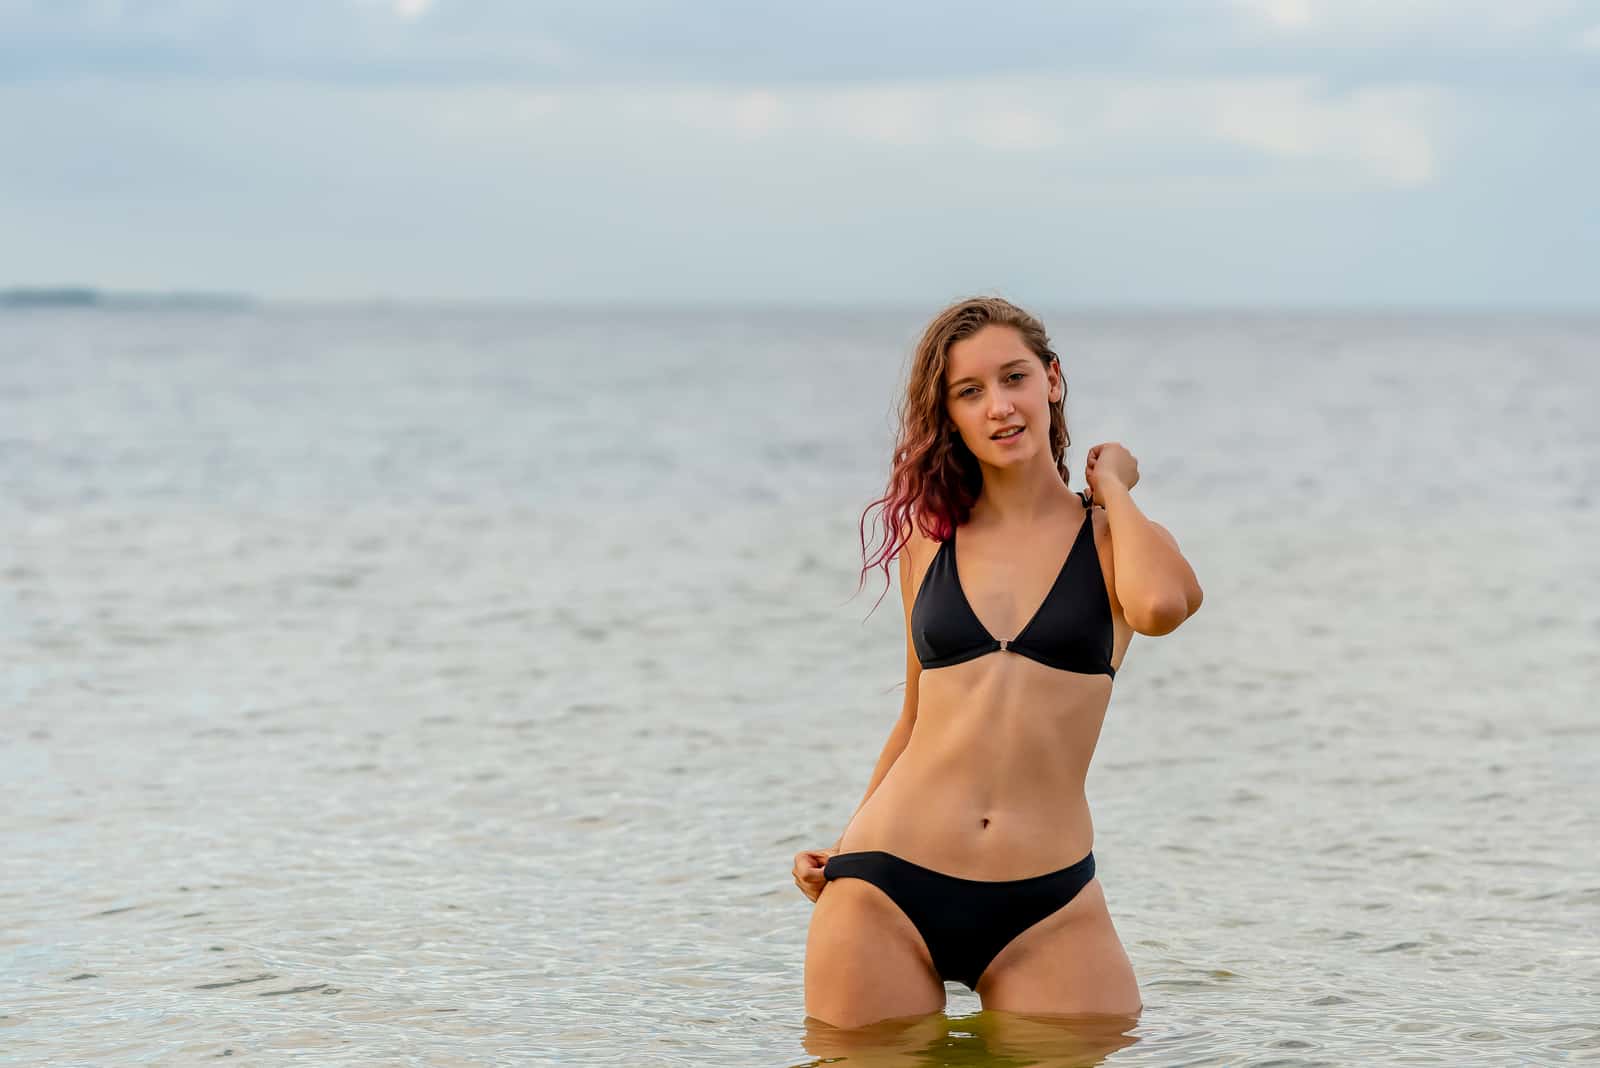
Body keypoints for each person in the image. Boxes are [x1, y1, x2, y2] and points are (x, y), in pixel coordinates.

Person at [795, 296, 1203, 1030]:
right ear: (948, 413)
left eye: (1013, 378)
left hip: (1049, 904)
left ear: (1052, 379)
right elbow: (918, 716)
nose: (999, 407)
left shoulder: (1116, 540)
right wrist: (845, 840)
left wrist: (1112, 487)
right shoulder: (932, 538)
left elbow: (1160, 609)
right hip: (887, 883)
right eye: (970, 392)